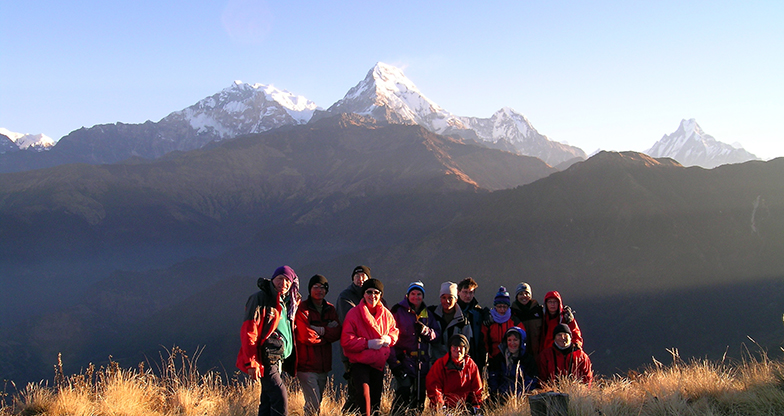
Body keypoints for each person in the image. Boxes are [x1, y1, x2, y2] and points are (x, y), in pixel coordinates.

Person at [237, 265, 301, 416]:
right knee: (280, 395)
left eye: (287, 281)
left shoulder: (288, 303)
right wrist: (251, 362)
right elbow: (249, 332)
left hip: (278, 358)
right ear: (272, 279)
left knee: (267, 401)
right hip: (265, 358)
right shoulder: (259, 299)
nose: (283, 284)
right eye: (280, 279)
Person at [341, 278, 399, 416]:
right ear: (363, 294)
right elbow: (346, 340)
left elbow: (394, 331)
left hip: (378, 363)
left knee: (375, 400)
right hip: (359, 362)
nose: (372, 296)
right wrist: (367, 343)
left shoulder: (386, 314)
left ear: (380, 295)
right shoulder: (354, 314)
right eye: (369, 292)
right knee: (363, 395)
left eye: (376, 292)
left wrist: (389, 339)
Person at [388, 281, 440, 414]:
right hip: (404, 361)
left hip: (422, 364)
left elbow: (437, 335)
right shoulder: (397, 311)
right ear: (407, 295)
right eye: (413, 293)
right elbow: (389, 337)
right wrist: (395, 363)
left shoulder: (427, 314)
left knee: (419, 397)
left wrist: (426, 331)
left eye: (419, 294)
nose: (416, 297)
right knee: (403, 393)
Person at [295, 274, 341, 416]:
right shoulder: (302, 308)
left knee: (316, 402)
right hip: (307, 365)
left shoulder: (330, 309)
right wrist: (327, 334)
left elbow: (338, 332)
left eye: (322, 287)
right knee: (313, 404)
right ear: (310, 289)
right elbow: (305, 336)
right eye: (315, 287)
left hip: (323, 366)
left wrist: (320, 330)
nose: (319, 290)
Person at [336, 265, 371, 413]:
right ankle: (346, 413)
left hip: (370, 352)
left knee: (367, 390)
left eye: (364, 276)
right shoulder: (345, 297)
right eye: (357, 276)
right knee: (355, 391)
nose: (360, 279)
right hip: (351, 352)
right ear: (353, 279)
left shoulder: (372, 294)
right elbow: (351, 321)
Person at [426, 334, 483, 415]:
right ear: (450, 348)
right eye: (455, 346)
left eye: (461, 347)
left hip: (466, 408)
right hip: (445, 408)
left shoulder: (471, 365)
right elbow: (434, 387)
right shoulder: (440, 364)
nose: (458, 349)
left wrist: (476, 405)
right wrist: (440, 406)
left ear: (466, 349)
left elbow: (476, 388)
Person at [487, 327, 538, 406]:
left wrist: (519, 396)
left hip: (521, 399)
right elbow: (493, 379)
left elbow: (531, 382)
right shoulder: (499, 358)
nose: (512, 343)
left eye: (515, 340)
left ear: (521, 341)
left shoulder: (528, 360)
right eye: (509, 340)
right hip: (501, 398)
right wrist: (498, 395)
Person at [428, 281, 473, 364]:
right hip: (435, 363)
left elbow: (467, 344)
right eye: (444, 297)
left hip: (455, 364)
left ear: (456, 299)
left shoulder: (463, 320)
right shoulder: (432, 315)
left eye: (450, 298)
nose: (447, 301)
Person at [482, 287, 525, 365]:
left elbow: (522, 340)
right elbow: (484, 341)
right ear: (495, 306)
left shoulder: (514, 321)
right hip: (493, 358)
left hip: (512, 357)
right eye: (499, 306)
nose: (502, 310)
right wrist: (488, 357)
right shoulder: (489, 321)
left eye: (504, 307)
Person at [456, 277, 487, 373]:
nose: (468, 296)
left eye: (471, 293)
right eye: (465, 292)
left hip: (476, 354)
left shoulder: (478, 312)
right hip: (459, 354)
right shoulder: (454, 311)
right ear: (458, 292)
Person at [510, 282, 544, 356]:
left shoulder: (539, 311)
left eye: (526, 293)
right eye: (521, 294)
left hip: (538, 353)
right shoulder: (511, 313)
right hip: (520, 355)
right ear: (517, 296)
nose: (524, 296)